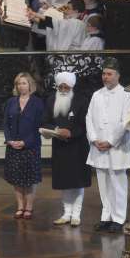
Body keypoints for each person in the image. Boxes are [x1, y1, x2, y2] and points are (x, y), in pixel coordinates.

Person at [86, 58, 130, 234]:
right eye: (104, 74)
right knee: (103, 183)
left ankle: (119, 218)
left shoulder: (127, 95)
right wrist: (94, 139)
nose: (105, 77)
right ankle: (106, 217)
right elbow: (89, 118)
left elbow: (126, 121)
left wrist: (111, 141)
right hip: (98, 147)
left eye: (109, 74)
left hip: (117, 147)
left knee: (118, 183)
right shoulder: (96, 95)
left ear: (117, 75)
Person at [42, 71, 90, 226]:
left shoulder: (81, 100)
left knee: (77, 181)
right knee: (64, 181)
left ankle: (76, 214)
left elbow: (85, 124)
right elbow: (45, 121)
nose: (63, 90)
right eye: (61, 87)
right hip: (59, 146)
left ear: (71, 86)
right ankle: (66, 213)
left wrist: (71, 132)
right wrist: (54, 129)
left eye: (66, 87)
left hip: (77, 146)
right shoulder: (50, 100)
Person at [3, 72, 45, 220]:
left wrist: (25, 142)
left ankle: (29, 207)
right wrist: (9, 140)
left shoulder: (37, 102)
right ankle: (20, 206)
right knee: (16, 179)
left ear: (30, 85)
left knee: (29, 179)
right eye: (19, 83)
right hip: (13, 146)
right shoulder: (11, 102)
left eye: (24, 83)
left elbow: (38, 126)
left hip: (31, 147)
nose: (21, 86)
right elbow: (5, 124)